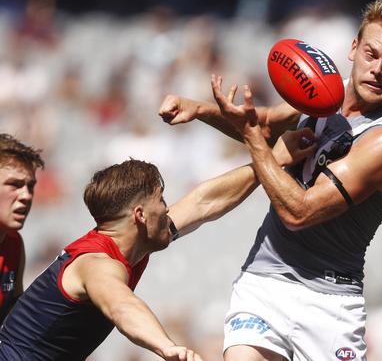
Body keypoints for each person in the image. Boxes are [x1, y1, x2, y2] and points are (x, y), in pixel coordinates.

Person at [158, 0, 382, 360]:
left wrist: (256, 139)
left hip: (329, 302)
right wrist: (201, 110)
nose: (377, 70)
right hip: (266, 280)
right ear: (353, 48)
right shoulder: (325, 91)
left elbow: (299, 212)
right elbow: (266, 126)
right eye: (370, 54)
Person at [0, 129, 315, 361]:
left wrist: (271, 162)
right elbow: (121, 306)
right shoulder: (98, 264)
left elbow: (204, 202)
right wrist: (166, 346)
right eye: (161, 200)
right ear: (139, 215)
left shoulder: (135, 240)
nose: (168, 209)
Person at [0, 134, 43, 322]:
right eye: (15, 185)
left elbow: (12, 320)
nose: (26, 196)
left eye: (30, 186)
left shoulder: (14, 243)